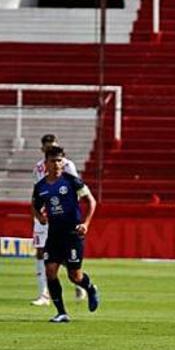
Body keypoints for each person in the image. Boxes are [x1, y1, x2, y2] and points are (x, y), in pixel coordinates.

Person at [31, 146, 100, 323]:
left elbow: (91, 201)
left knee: (74, 276)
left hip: (72, 234)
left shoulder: (72, 181)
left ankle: (90, 288)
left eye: (59, 160)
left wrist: (85, 224)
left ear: (64, 162)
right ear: (45, 163)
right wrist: (40, 217)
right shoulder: (41, 186)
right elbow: (35, 206)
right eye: (53, 161)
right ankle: (61, 312)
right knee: (50, 271)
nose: (56, 164)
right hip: (54, 234)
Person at [31, 134, 87, 306]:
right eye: (47, 147)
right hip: (45, 215)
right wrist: (39, 213)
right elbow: (38, 194)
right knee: (40, 251)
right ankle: (44, 294)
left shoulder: (67, 165)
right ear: (43, 149)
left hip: (63, 218)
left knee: (61, 255)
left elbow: (74, 190)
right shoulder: (38, 168)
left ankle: (77, 281)